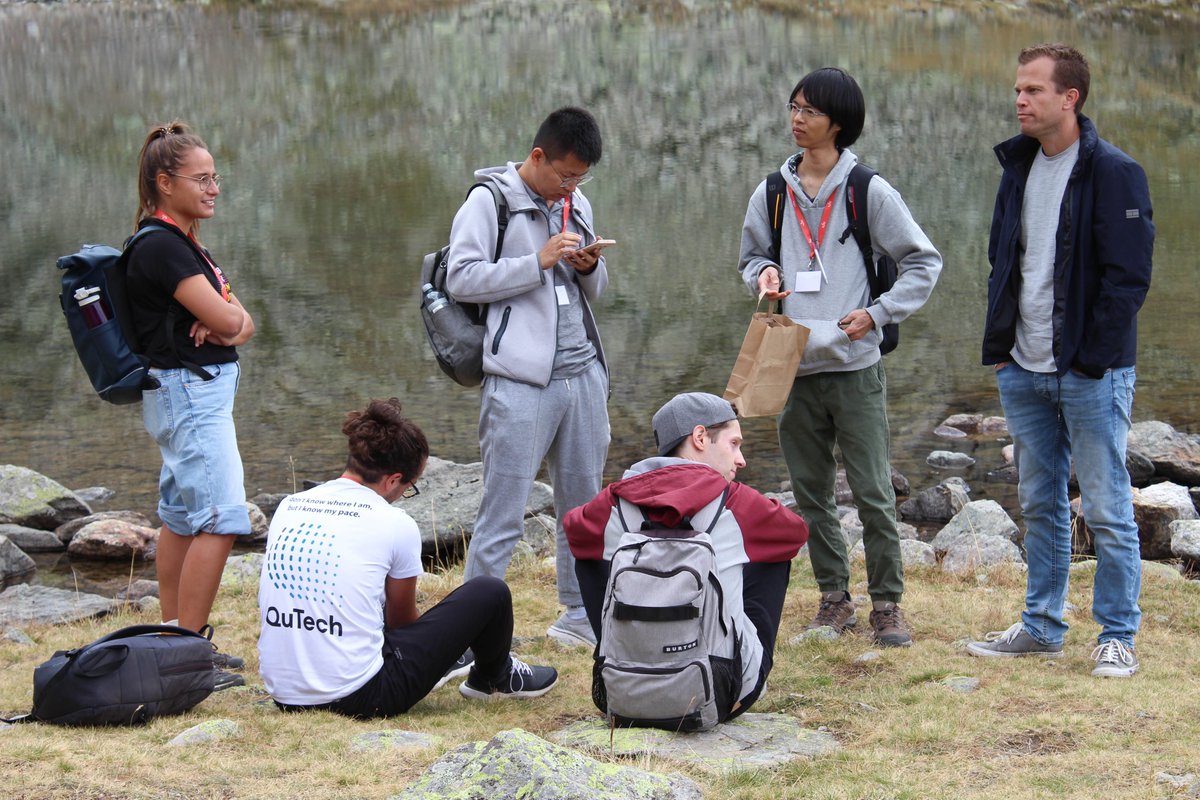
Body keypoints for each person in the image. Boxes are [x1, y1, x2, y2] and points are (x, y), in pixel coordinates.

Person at [737, 68, 942, 647]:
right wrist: (765, 273)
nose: (796, 119)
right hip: (789, 363)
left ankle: (887, 605)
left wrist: (877, 314)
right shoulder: (773, 191)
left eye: (810, 111)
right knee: (810, 493)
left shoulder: (868, 190)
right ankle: (833, 599)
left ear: (839, 123)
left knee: (875, 491)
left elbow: (924, 262)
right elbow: (750, 257)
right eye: (793, 107)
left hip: (853, 365)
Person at [967, 44, 1154, 678]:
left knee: (1105, 505)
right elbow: (1004, 262)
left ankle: (1117, 635)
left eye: (1033, 91)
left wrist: (1091, 360)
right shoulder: (1017, 166)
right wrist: (1002, 351)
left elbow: (1128, 281)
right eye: (1018, 89)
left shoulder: (1115, 171)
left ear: (1069, 98)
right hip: (1024, 369)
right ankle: (1042, 626)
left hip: (1089, 374)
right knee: (1041, 501)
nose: (1019, 100)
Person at [257, 398, 558, 717]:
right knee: (489, 592)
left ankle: (469, 666)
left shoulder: (290, 506)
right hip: (362, 696)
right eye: (409, 487)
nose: (404, 494)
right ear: (391, 480)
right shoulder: (394, 522)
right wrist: (442, 643)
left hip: (284, 694)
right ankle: (495, 677)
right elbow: (400, 623)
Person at [446, 106, 610, 648]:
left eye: (580, 178)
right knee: (504, 508)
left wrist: (589, 267)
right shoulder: (489, 201)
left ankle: (580, 617)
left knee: (584, 505)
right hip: (519, 379)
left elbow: (598, 291)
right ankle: (473, 634)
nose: (571, 188)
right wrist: (536, 261)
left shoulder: (576, 202)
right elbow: (462, 279)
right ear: (537, 156)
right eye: (564, 175)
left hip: (581, 371)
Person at [564, 392, 809, 720]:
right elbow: (796, 534)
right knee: (772, 556)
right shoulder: (736, 503)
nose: (741, 460)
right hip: (720, 695)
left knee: (588, 554)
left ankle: (617, 657)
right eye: (734, 444)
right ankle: (745, 676)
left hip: (623, 692)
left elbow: (573, 530)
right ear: (699, 437)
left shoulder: (613, 503)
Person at [126, 120, 256, 689]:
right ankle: (186, 656)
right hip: (190, 394)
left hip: (184, 393)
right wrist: (228, 323)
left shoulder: (182, 243)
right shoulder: (162, 247)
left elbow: (240, 321)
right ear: (164, 182)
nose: (213, 189)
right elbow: (232, 317)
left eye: (215, 177)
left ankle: (170, 637)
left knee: (180, 517)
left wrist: (229, 324)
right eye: (200, 179)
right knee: (221, 519)